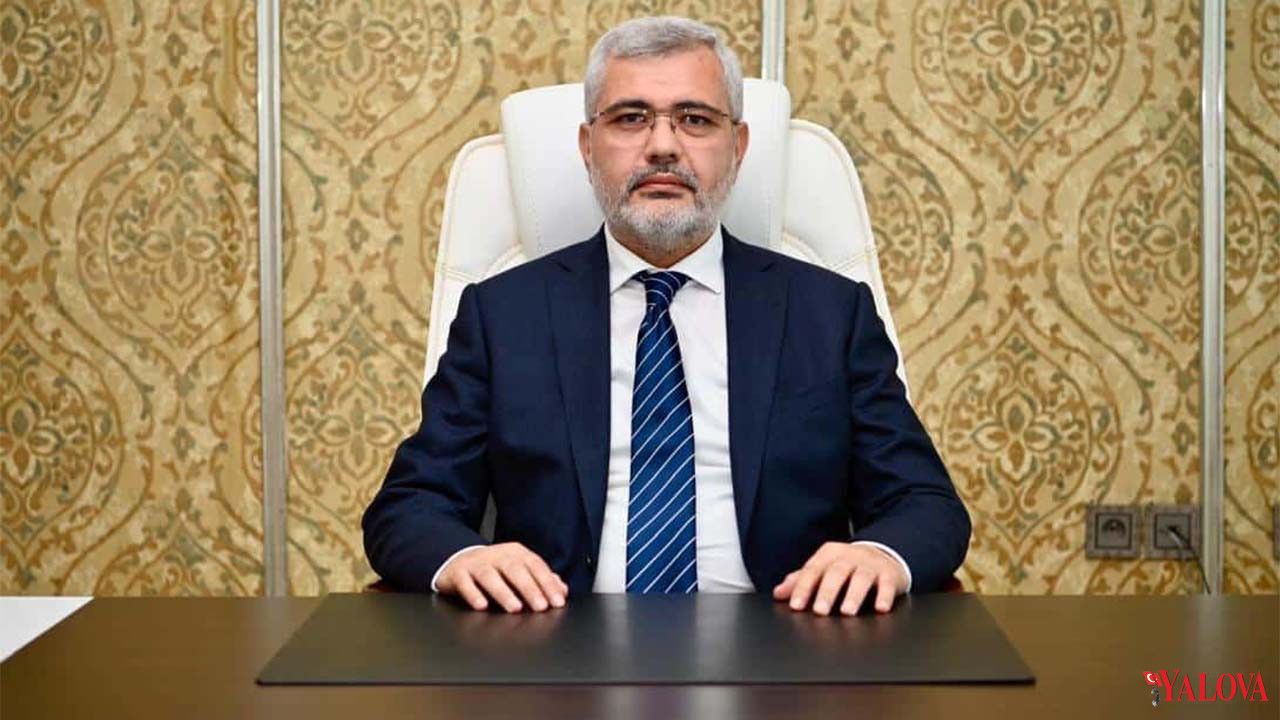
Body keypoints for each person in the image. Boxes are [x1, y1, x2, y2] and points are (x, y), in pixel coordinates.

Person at [363, 16, 970, 616]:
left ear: (738, 147)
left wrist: (878, 554)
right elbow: (410, 505)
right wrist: (463, 558)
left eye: (695, 119)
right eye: (631, 118)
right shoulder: (504, 316)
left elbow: (925, 502)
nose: (662, 146)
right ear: (587, 147)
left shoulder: (830, 314)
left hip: (785, 640)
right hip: (558, 642)